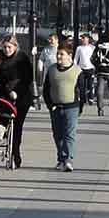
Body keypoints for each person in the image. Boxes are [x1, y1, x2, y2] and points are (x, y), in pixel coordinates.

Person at [42, 40, 81, 172]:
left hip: (71, 107)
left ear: (69, 55)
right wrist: (49, 105)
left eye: (62, 54)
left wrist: (80, 107)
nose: (59, 57)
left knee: (69, 134)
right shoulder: (52, 70)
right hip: (55, 107)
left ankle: (68, 159)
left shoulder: (77, 71)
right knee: (58, 134)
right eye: (58, 54)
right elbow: (46, 89)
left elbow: (81, 90)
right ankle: (61, 159)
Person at [0, 34, 34, 168]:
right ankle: (1, 129)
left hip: (21, 96)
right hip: (4, 94)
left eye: (9, 47)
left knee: (17, 126)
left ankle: (16, 155)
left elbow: (27, 79)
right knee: (1, 113)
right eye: (5, 47)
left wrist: (16, 91)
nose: (7, 50)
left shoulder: (22, 59)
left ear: (15, 47)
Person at [75, 33, 96, 112]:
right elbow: (76, 58)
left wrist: (95, 66)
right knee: (81, 85)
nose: (82, 39)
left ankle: (90, 98)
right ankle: (83, 99)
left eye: (84, 38)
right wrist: (75, 67)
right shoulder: (79, 48)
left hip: (90, 68)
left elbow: (96, 57)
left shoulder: (92, 48)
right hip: (81, 69)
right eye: (82, 38)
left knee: (90, 85)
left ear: (88, 39)